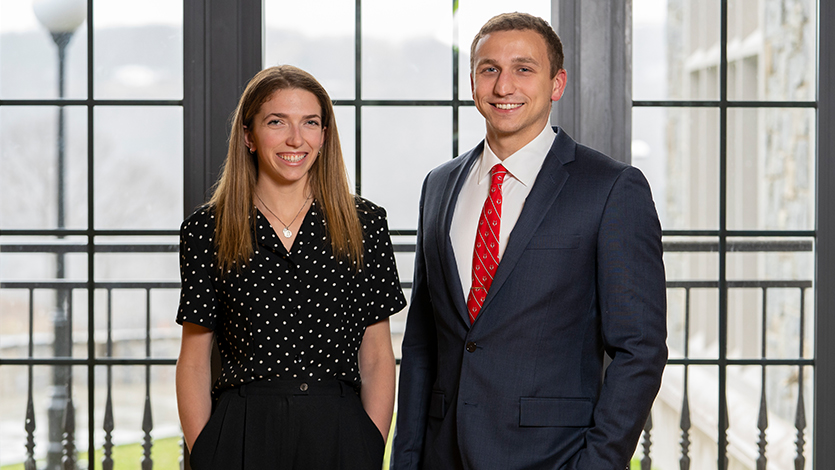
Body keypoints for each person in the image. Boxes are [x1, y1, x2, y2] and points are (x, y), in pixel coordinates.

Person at [391, 12, 667, 470]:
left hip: (552, 458)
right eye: (489, 69)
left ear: (556, 84)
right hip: (442, 456)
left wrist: (597, 463)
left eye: (524, 68)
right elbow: (422, 342)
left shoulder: (611, 188)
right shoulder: (438, 187)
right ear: (474, 82)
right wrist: (407, 460)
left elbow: (641, 348)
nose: (504, 87)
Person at [175, 65, 406, 470]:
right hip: (242, 430)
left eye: (310, 123)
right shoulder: (207, 228)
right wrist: (208, 453)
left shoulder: (365, 222)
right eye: (277, 122)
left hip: (340, 429)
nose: (295, 139)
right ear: (248, 135)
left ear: (324, 135)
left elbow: (376, 355)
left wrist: (370, 444)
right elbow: (194, 360)